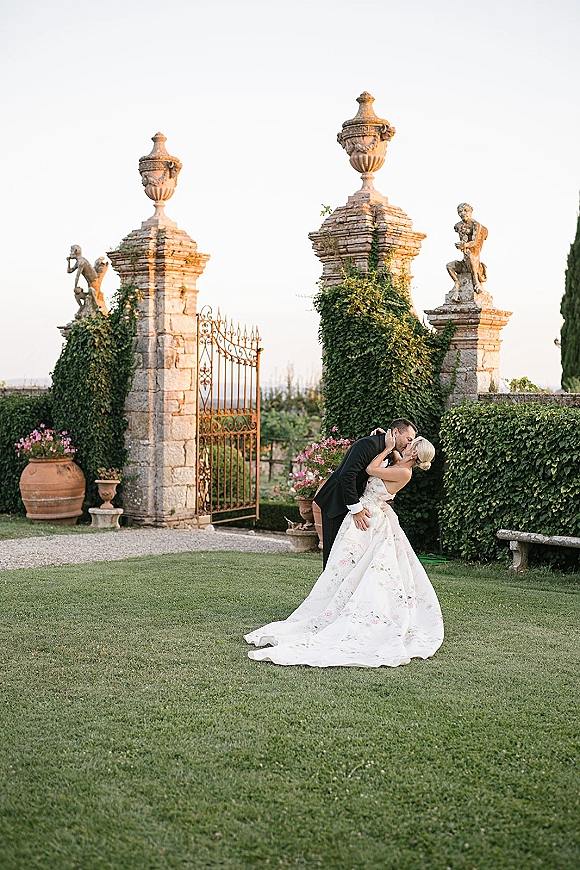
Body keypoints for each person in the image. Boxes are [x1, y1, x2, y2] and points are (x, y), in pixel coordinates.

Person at [244, 433, 444, 668]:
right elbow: (394, 453)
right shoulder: (401, 461)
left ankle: (353, 610)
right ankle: (335, 603)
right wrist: (385, 441)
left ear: (415, 453)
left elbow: (371, 469)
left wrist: (385, 449)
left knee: (362, 566)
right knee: (347, 564)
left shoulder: (403, 472)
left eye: (411, 443)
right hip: (364, 515)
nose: (407, 443)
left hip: (369, 518)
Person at [314, 418, 417, 568]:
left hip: (357, 504)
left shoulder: (387, 449)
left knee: (348, 556)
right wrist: (356, 510)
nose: (410, 444)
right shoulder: (369, 444)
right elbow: (347, 475)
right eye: (409, 439)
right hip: (337, 502)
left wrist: (391, 448)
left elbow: (399, 465)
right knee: (333, 556)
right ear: (395, 432)